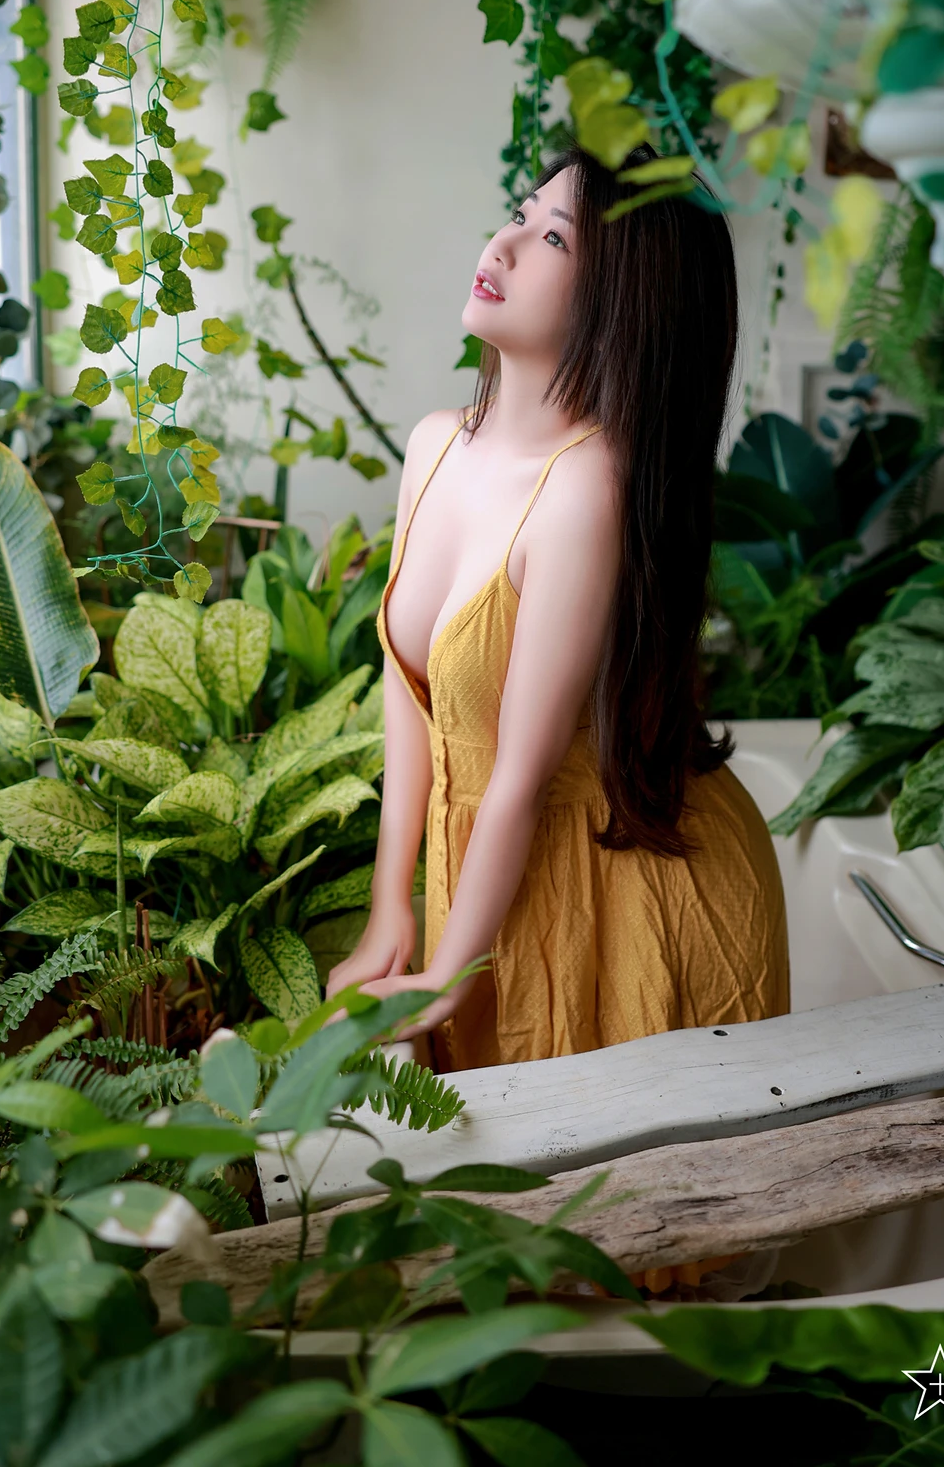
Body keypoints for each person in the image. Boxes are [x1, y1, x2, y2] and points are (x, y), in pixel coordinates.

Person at [327, 143, 789, 1071]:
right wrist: (389, 907)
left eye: (552, 239)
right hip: (488, 872)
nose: (500, 246)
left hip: (617, 889)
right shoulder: (433, 447)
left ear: (623, 301)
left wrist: (447, 976)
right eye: (519, 213)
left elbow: (521, 777)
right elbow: (412, 696)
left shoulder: (584, 490)